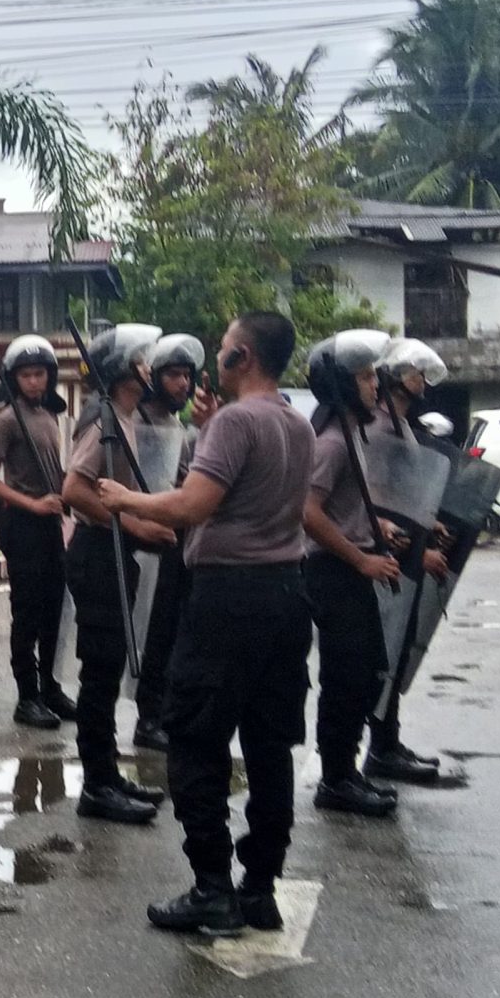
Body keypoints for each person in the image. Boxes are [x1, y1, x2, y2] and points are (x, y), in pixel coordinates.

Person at [98, 312, 316, 940]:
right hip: (284, 596)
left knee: (196, 743)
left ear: (241, 357)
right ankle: (260, 889)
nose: (215, 358)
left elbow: (193, 506)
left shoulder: (238, 421)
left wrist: (125, 499)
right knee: (270, 748)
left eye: (223, 350)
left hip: (227, 600)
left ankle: (212, 890)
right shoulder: (293, 423)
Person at [56, 325, 168, 829]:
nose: (150, 369)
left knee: (109, 667)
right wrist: (136, 525)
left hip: (114, 551)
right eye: (142, 362)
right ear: (123, 369)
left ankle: (107, 772)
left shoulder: (124, 416)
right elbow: (75, 491)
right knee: (99, 673)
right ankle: (97, 786)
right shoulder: (101, 419)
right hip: (97, 551)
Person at [301, 330, 404, 821]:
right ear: (342, 384)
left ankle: (347, 770)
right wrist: (361, 558)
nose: (374, 385)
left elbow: (341, 509)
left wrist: (375, 527)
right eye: (364, 377)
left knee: (366, 674)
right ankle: (335, 778)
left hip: (352, 566)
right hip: (333, 571)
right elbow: (309, 512)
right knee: (344, 678)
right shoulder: (332, 443)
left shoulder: (354, 435)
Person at [365, 338, 455, 785]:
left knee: (397, 654)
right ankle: (378, 750)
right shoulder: (380, 428)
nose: (421, 381)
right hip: (387, 557)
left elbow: (407, 496)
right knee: (383, 655)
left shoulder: (401, 425)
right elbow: (379, 503)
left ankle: (388, 743)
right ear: (393, 377)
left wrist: (430, 525)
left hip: (405, 556)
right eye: (413, 373)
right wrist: (417, 546)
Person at [0, 335, 78, 731]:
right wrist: (33, 504)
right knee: (26, 614)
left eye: (40, 374)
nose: (35, 382)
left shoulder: (49, 416)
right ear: (14, 378)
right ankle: (27, 697)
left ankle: (49, 687)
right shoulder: (7, 420)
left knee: (54, 612)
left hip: (50, 526)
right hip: (22, 525)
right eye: (26, 375)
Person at [132, 332, 210, 753]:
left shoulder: (175, 425)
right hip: (141, 542)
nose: (182, 384)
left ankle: (162, 710)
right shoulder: (136, 422)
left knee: (170, 632)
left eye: (186, 375)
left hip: (175, 543)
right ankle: (146, 718)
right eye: (173, 375)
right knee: (147, 633)